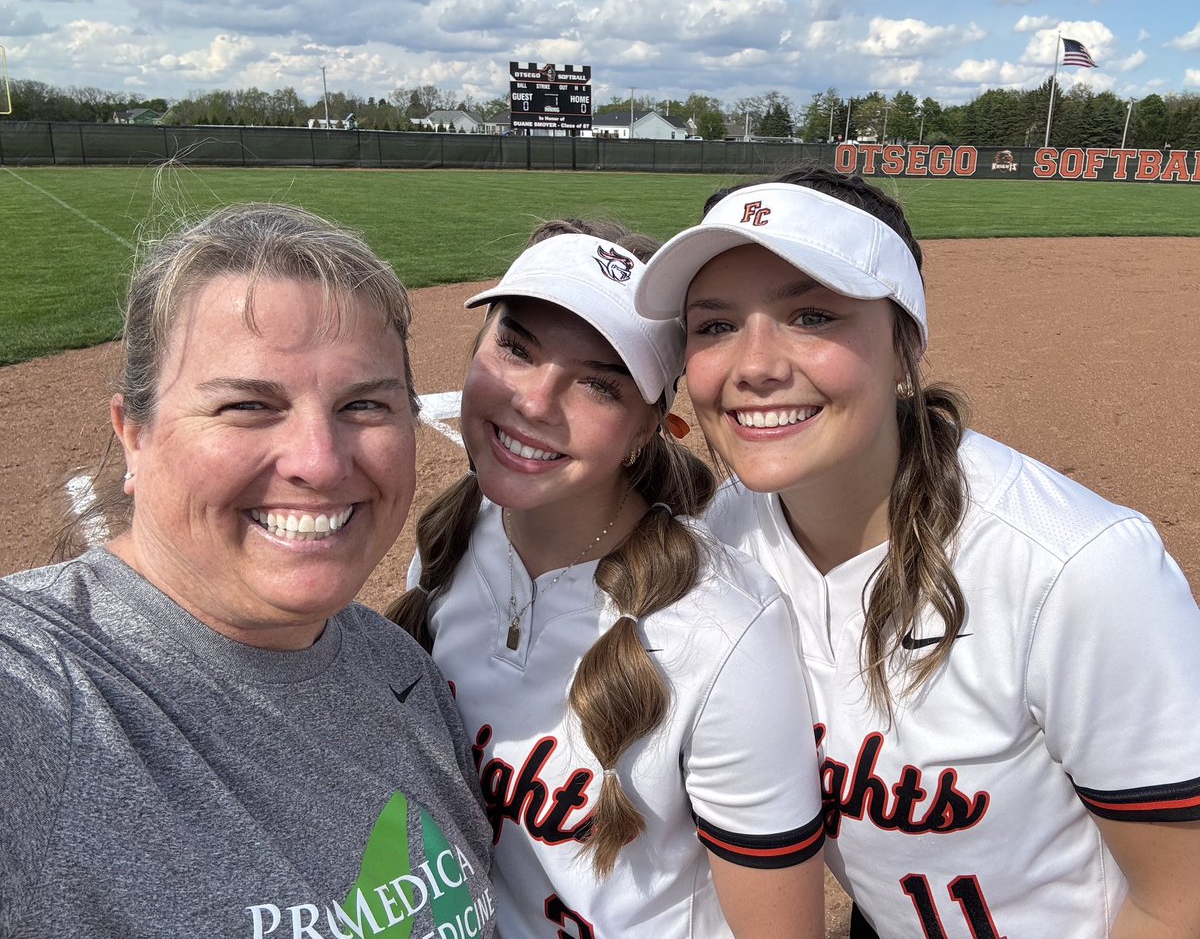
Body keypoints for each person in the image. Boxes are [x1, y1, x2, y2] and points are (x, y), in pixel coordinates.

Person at [634, 167, 1200, 939]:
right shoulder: (723, 540)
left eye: (812, 314)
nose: (755, 365)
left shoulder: (1076, 568)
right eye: (715, 325)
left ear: (903, 345)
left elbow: (1181, 899)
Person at [0, 204, 495, 938]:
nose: (320, 462)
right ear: (133, 436)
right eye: (246, 406)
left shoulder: (399, 668)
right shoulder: (47, 691)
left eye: (364, 404)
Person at [390, 219, 826, 938]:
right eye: (516, 347)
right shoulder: (454, 539)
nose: (534, 401)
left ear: (646, 427)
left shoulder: (721, 630)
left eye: (599, 383)